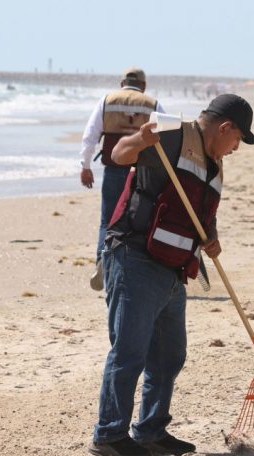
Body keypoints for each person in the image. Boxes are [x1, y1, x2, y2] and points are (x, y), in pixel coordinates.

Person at [89, 94, 254, 456]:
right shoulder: (171, 135)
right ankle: (109, 434)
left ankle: (151, 430)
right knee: (130, 351)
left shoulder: (215, 164)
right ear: (225, 128)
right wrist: (140, 139)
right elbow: (118, 155)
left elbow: (203, 212)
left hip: (174, 267)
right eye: (238, 139)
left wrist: (211, 237)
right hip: (135, 257)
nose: (236, 148)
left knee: (169, 355)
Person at [78, 67, 165, 291]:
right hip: (142, 172)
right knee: (141, 220)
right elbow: (166, 136)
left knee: (108, 220)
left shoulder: (107, 101)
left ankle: (103, 260)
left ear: (122, 83)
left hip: (114, 170)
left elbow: (90, 136)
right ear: (143, 85)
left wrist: (85, 166)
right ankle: (135, 266)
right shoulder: (152, 104)